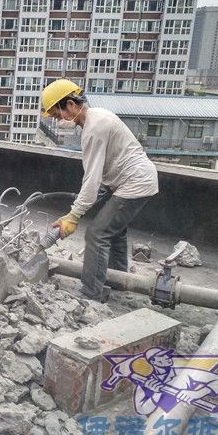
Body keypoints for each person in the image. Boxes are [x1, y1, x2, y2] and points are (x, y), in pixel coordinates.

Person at [42, 79, 159, 302]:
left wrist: (74, 216)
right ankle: (118, 281)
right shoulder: (97, 117)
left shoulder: (94, 130)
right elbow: (101, 177)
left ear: (70, 105)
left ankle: (91, 294)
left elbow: (92, 179)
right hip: (129, 180)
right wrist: (76, 210)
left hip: (134, 183)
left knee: (97, 234)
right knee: (115, 230)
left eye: (58, 115)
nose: (59, 122)